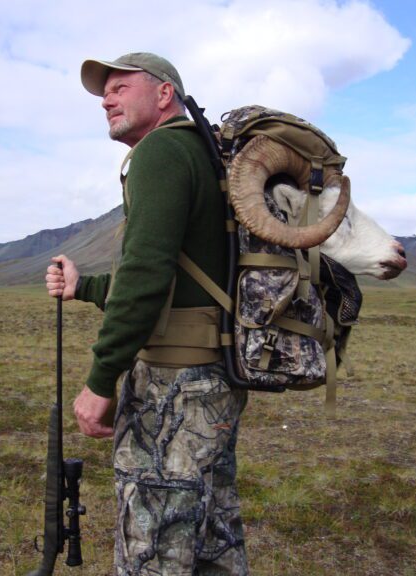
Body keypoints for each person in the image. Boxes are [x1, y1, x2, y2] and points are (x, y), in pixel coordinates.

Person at [45, 52, 249, 575]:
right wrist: (84, 286)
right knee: (212, 539)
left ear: (164, 94)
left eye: (120, 86)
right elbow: (179, 279)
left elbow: (146, 276)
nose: (107, 98)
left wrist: (100, 379)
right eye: (103, 91)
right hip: (215, 381)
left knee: (153, 550)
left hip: (172, 387)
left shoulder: (160, 153)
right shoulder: (204, 156)